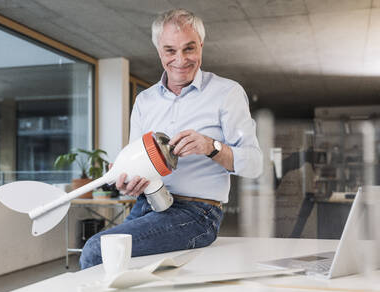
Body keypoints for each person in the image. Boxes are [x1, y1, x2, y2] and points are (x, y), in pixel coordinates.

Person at [79, 8, 263, 269]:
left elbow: (255, 164)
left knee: (96, 251)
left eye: (189, 48)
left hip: (197, 213)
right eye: (170, 51)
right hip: (147, 205)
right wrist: (128, 182)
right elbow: (138, 164)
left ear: (201, 45)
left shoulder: (227, 93)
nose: (181, 59)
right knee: (111, 264)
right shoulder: (145, 101)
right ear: (159, 51)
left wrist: (211, 147)